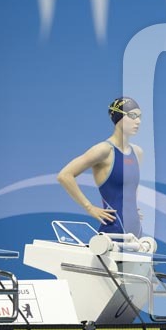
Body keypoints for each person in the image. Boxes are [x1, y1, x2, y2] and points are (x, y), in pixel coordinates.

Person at [57, 97, 143, 236]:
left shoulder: (137, 152)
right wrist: (90, 207)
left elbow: (131, 187)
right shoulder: (104, 150)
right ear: (118, 118)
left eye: (139, 116)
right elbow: (64, 175)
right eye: (132, 116)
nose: (138, 121)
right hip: (112, 231)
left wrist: (133, 208)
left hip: (136, 230)